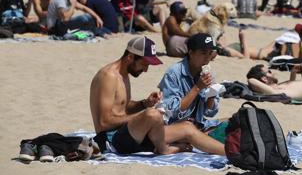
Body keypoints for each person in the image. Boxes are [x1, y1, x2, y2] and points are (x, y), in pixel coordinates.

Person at [90, 36, 223, 155]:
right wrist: (145, 115)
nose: (146, 70)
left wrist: (143, 104)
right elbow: (104, 122)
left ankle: (231, 154)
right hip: (111, 139)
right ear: (130, 57)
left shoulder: (123, 74)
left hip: (132, 132)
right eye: (144, 64)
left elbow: (122, 108)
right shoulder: (108, 76)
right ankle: (164, 149)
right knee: (153, 115)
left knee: (187, 128)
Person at [158, 33, 227, 152]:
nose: (207, 58)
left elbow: (210, 112)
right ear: (190, 52)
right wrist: (197, 88)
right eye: (203, 53)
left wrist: (212, 93)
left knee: (233, 122)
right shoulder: (174, 73)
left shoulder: (206, 74)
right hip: (177, 127)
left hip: (200, 125)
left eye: (210, 53)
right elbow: (172, 111)